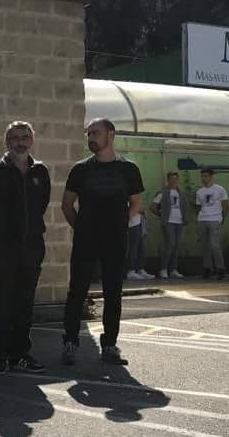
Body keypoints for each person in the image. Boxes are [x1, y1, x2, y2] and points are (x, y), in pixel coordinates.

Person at [61, 118, 144, 366]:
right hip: (86, 240)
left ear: (111, 134)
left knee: (113, 293)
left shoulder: (128, 169)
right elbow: (67, 205)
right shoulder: (80, 169)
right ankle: (70, 342)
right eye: (88, 134)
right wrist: (83, 228)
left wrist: (118, 223)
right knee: (77, 291)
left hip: (116, 240)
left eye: (95, 133)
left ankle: (109, 345)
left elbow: (137, 203)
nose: (91, 138)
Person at [0, 121, 50, 375]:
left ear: (32, 140)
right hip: (4, 249)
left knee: (25, 302)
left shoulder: (41, 172)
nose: (20, 141)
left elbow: (42, 205)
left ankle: (20, 354)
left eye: (25, 137)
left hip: (32, 247)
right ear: (7, 142)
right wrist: (0, 235)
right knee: (4, 302)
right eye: (15, 137)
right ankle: (0, 354)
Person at [149, 171, 188, 278]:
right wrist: (161, 215)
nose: (174, 181)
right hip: (168, 222)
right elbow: (152, 206)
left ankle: (173, 269)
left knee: (176, 245)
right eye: (172, 178)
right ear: (168, 180)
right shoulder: (163, 192)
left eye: (176, 178)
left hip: (179, 221)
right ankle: (163, 269)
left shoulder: (181, 193)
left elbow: (184, 207)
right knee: (170, 244)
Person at [194, 167, 227, 280]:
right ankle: (207, 268)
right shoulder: (200, 191)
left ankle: (221, 268)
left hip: (215, 219)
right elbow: (199, 207)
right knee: (205, 246)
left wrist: (222, 218)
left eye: (206, 176)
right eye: (202, 176)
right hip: (202, 220)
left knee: (214, 245)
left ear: (212, 177)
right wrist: (198, 219)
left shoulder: (220, 189)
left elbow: (225, 205)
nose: (204, 178)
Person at [125, 211, 153, 280]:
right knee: (133, 249)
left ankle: (140, 269)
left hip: (139, 222)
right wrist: (141, 210)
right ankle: (131, 271)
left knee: (141, 248)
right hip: (132, 224)